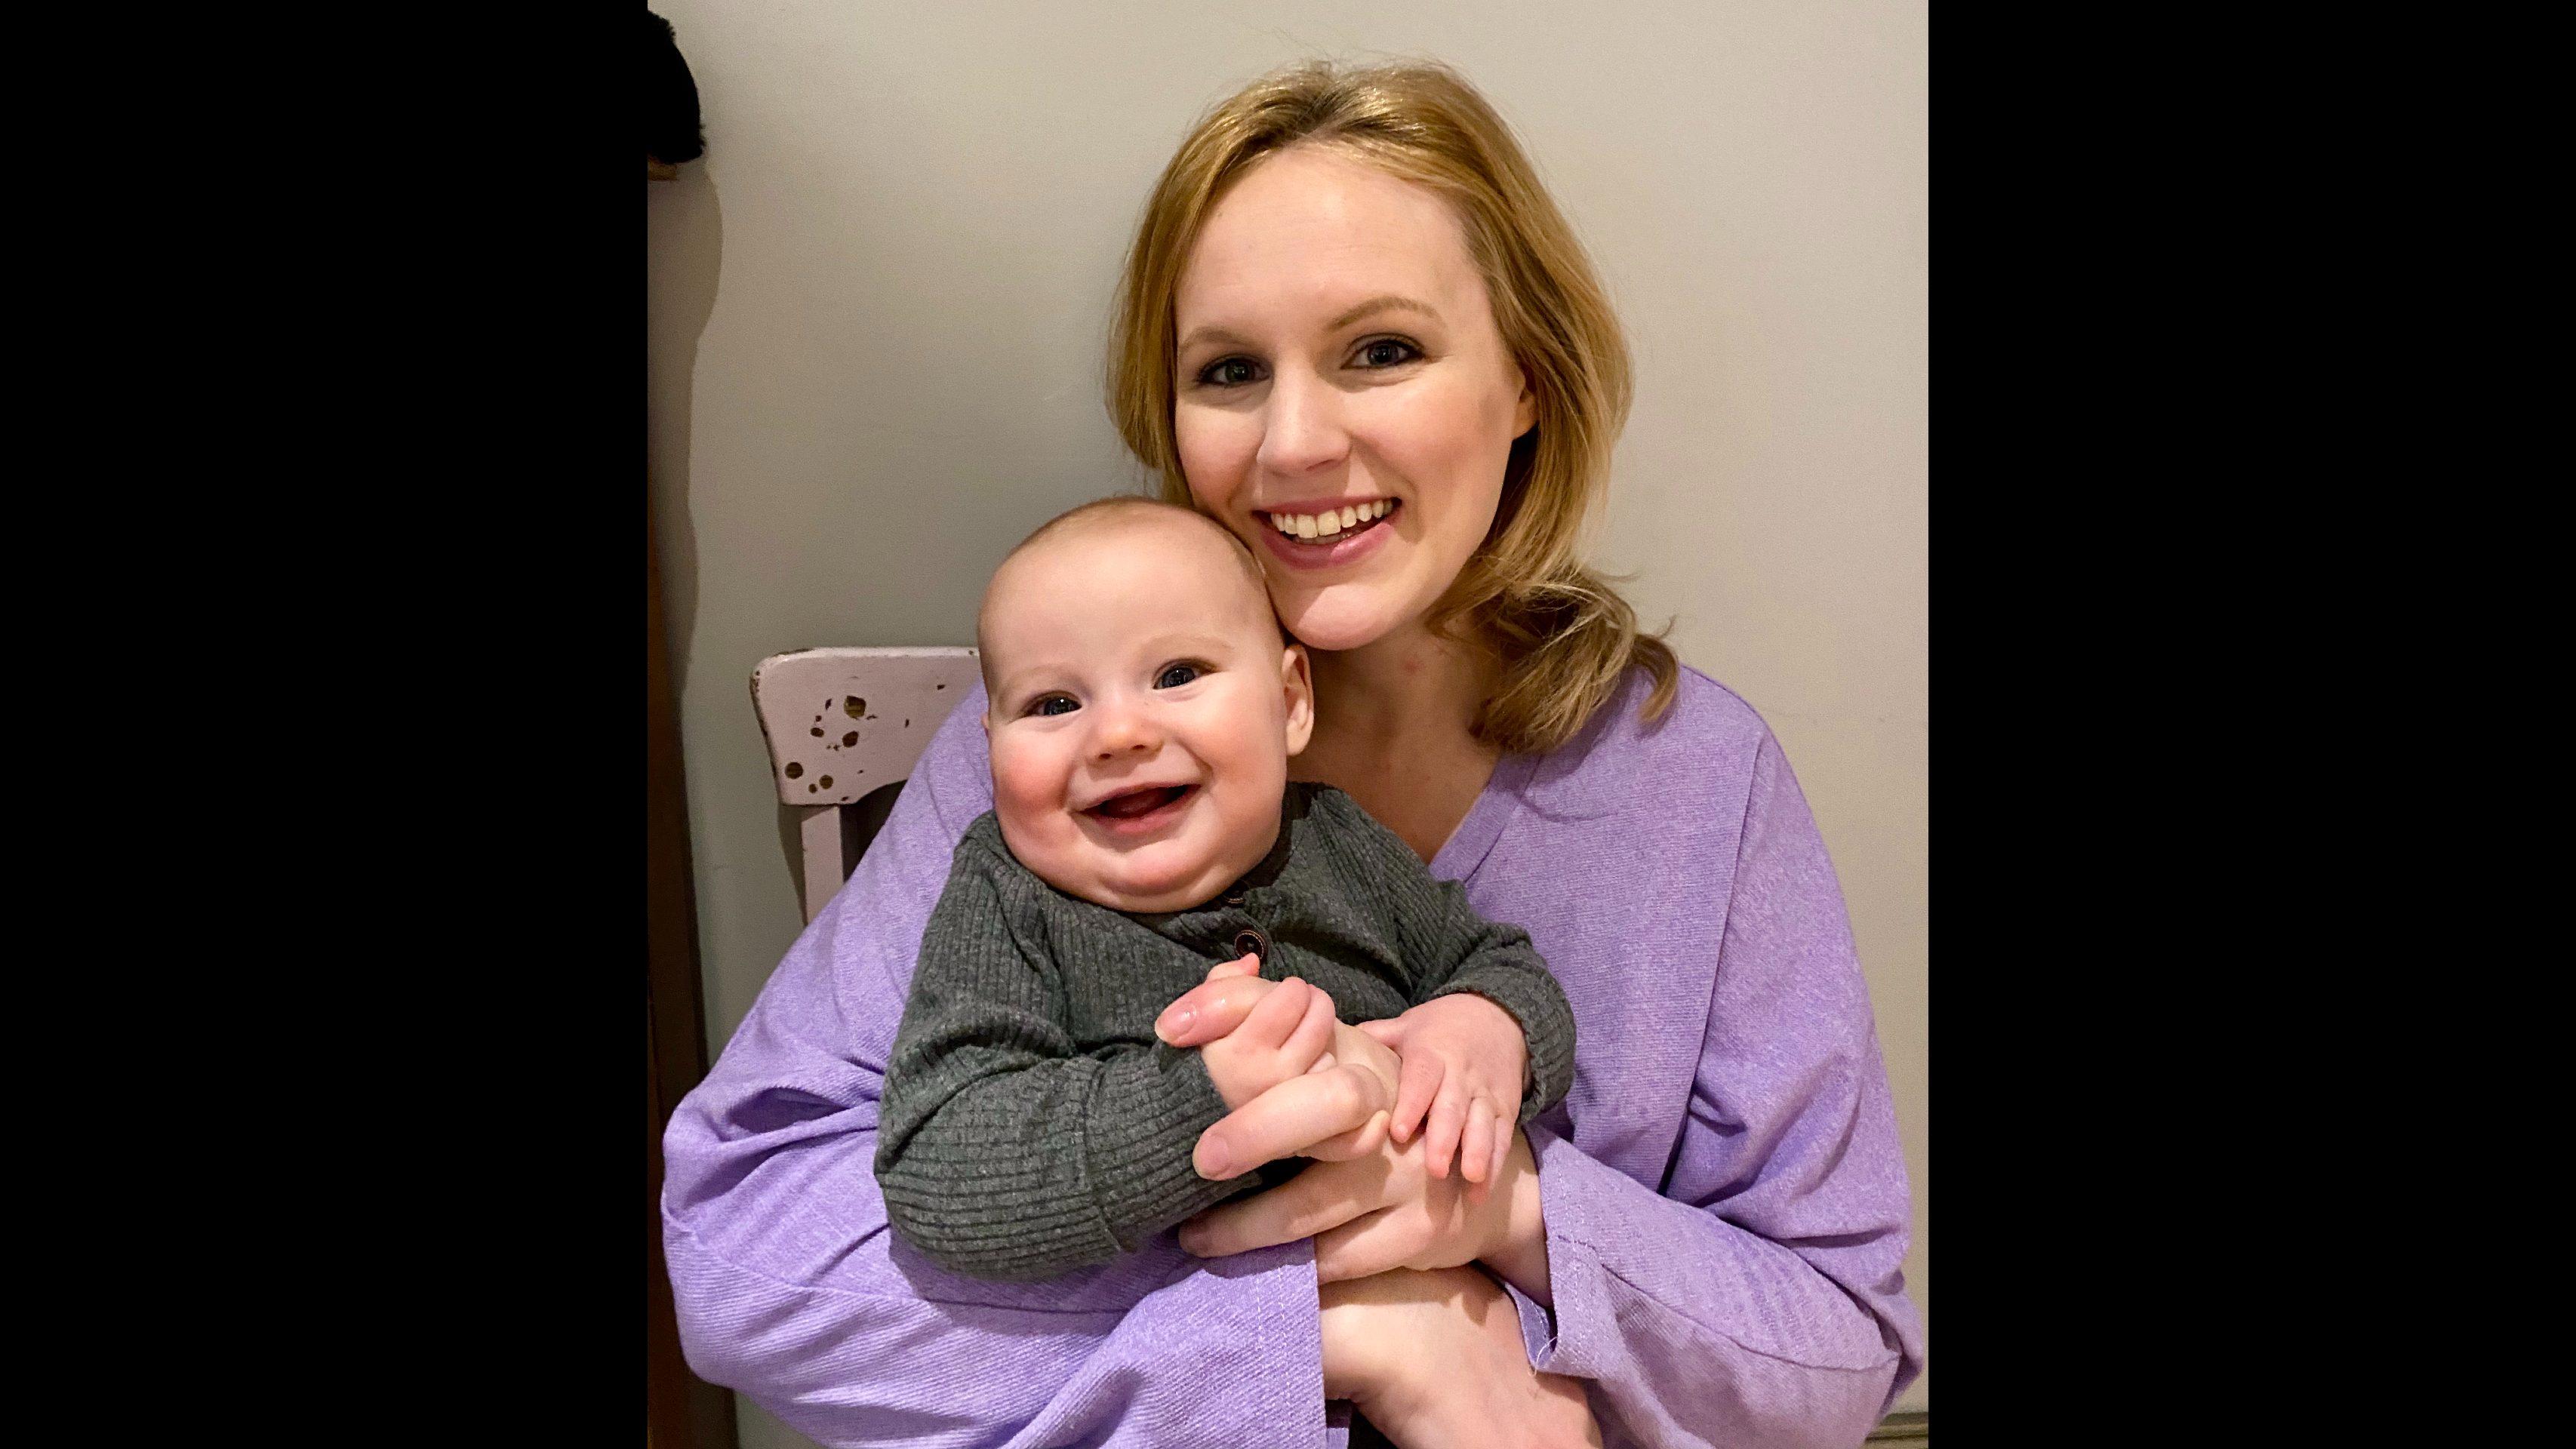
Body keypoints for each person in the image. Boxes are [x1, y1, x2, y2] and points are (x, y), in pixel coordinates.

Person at [663, 59, 1922, 1449]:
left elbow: (1836, 1354)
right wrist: (1345, 1333)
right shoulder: (1051, 769)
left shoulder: (1694, 781)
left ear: (1523, 379)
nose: (1295, 441)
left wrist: (1496, 1209)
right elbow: (745, 1258)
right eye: (1227, 371)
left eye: (1381, 349)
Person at [875, 497, 1577, 1281]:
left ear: (1290, 703)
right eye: (1053, 704)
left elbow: (1501, 965)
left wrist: (1488, 1027)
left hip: (1455, 1300)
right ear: (991, 746)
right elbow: (935, 1167)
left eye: (1177, 676)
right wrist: (1202, 1096)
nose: (1117, 736)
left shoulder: (1337, 841)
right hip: (1195, 1378)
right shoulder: (1007, 899)